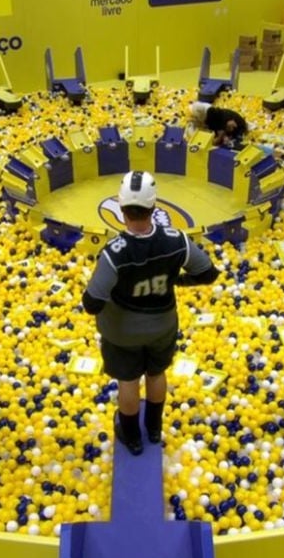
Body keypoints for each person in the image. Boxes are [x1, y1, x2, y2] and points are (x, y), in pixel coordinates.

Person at [82, 171, 219, 456]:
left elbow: (92, 302)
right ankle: (154, 429)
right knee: (156, 373)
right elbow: (207, 273)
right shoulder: (176, 240)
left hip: (122, 333)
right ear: (154, 206)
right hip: (162, 326)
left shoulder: (114, 252)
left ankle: (132, 436)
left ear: (121, 208)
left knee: (129, 381)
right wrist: (177, 280)